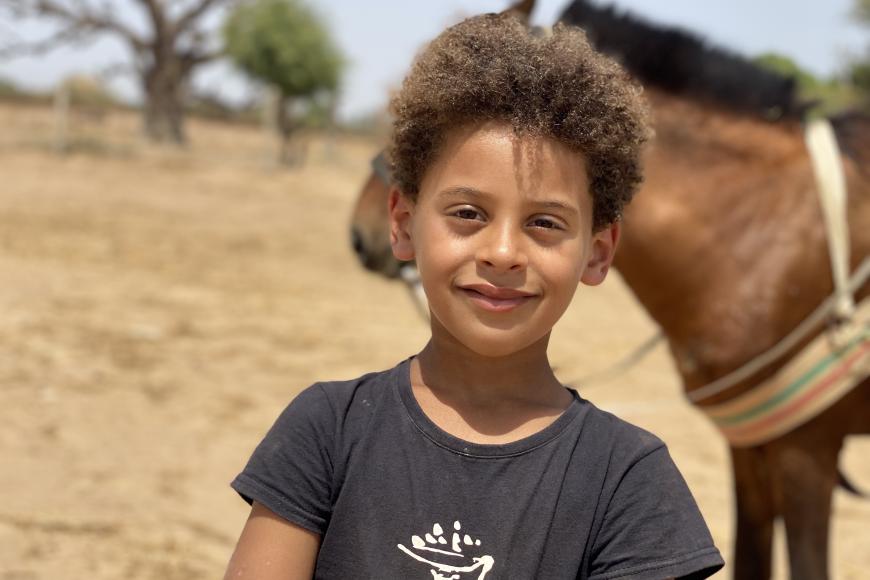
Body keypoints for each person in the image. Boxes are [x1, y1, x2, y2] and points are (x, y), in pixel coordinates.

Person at [224, 13, 725, 580]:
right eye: (468, 214)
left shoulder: (629, 478)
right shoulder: (327, 429)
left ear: (598, 251)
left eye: (544, 222)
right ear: (404, 222)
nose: (504, 251)